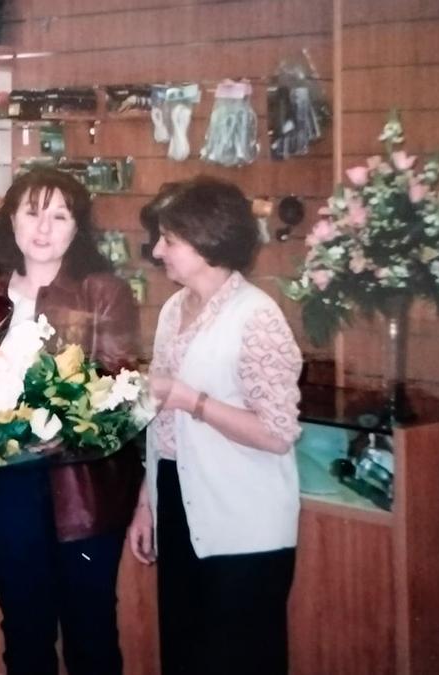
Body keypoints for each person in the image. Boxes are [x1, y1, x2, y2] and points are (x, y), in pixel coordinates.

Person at [0, 168, 143, 675]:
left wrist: (38, 422)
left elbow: (116, 399)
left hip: (82, 489)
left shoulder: (104, 293)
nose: (43, 227)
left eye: (60, 215)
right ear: (10, 218)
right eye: (32, 212)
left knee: (91, 632)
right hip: (6, 489)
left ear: (77, 229)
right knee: (23, 630)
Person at [126, 176, 303, 675]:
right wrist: (146, 503)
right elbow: (160, 425)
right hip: (177, 500)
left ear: (208, 242)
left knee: (237, 655)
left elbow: (276, 433)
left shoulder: (257, 317)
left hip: (242, 521)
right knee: (184, 651)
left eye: (170, 240)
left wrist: (192, 400)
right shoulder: (171, 310)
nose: (158, 251)